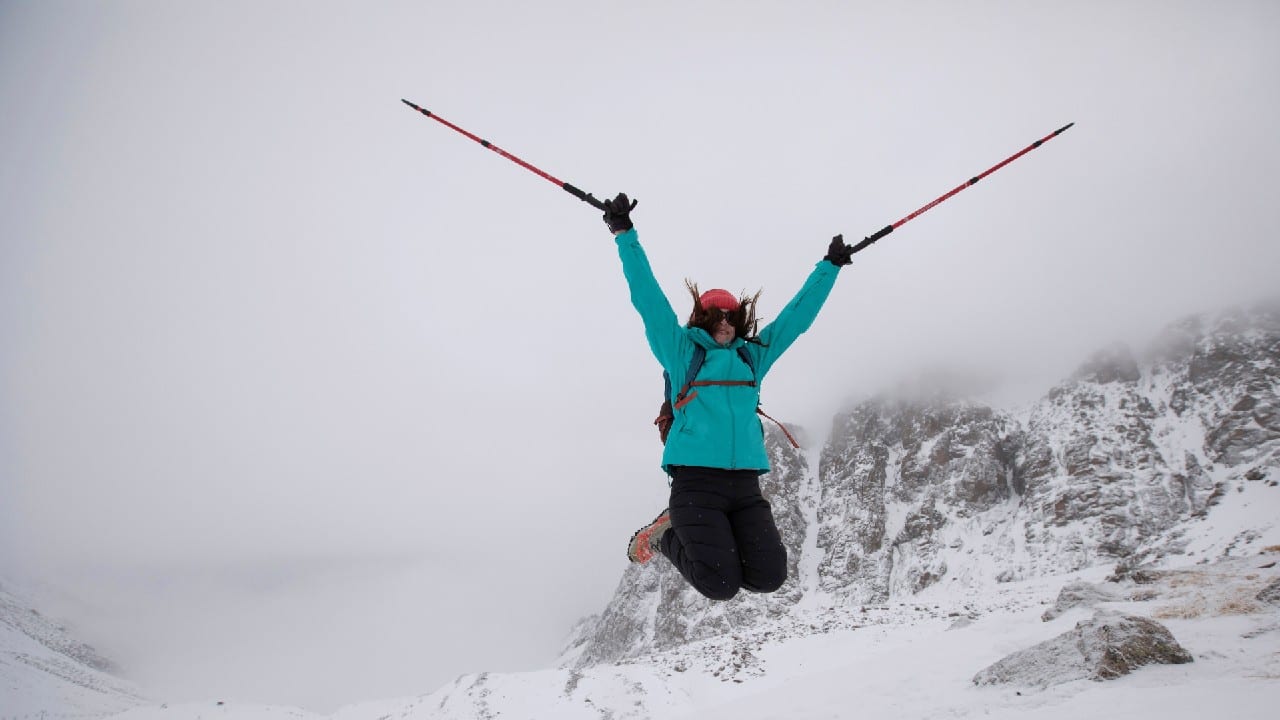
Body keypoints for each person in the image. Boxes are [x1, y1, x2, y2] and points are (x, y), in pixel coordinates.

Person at [603, 192, 853, 601]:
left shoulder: (752, 358)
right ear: (701, 319)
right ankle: (666, 536)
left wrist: (830, 267)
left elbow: (796, 319)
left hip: (745, 485)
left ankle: (679, 530)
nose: (723, 320)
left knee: (769, 577)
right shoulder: (683, 353)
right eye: (714, 314)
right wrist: (624, 234)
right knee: (719, 585)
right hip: (697, 482)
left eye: (730, 314)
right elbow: (648, 300)